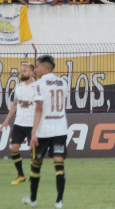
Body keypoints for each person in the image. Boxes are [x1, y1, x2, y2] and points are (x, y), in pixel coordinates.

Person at [25, 55, 69, 208]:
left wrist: (33, 132)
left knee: (36, 163)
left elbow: (38, 108)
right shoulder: (64, 82)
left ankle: (33, 199)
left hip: (44, 130)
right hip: (60, 128)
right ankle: (59, 201)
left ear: (44, 68)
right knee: (59, 163)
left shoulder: (38, 84)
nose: (35, 70)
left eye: (36, 67)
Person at [0, 63, 37, 185]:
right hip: (19, 123)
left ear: (32, 73)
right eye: (21, 71)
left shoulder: (37, 87)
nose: (22, 72)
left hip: (32, 124)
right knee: (14, 148)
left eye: (25, 71)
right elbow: (15, 104)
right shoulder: (19, 87)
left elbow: (41, 107)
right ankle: (21, 175)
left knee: (33, 151)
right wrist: (7, 120)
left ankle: (33, 176)